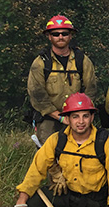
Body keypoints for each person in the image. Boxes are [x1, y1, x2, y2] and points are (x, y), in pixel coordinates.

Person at [13, 93, 109, 207]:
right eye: (75, 116)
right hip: (66, 193)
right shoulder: (57, 140)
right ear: (67, 119)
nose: (80, 122)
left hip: (93, 199)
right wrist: (21, 200)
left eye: (85, 116)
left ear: (92, 117)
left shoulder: (105, 142)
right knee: (32, 205)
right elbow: (36, 170)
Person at [27, 15, 97, 145]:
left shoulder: (82, 61)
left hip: (77, 117)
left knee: (82, 149)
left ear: (70, 35)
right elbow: (37, 95)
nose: (60, 37)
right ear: (49, 36)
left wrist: (80, 116)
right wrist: (59, 117)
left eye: (65, 33)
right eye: (56, 34)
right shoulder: (41, 63)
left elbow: (91, 89)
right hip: (49, 117)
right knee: (48, 151)